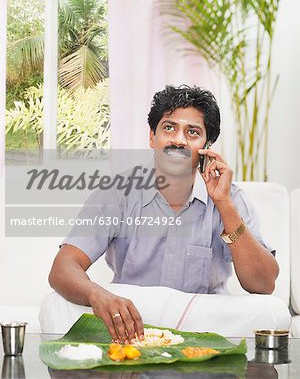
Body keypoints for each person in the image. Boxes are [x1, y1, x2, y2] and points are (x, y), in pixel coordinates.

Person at [48, 85, 279, 344]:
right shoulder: (116, 193)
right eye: (169, 127)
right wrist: (96, 294)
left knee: (274, 312)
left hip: (202, 328)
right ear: (152, 137)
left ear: (206, 146)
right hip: (133, 322)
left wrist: (224, 204)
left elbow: (263, 285)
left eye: (192, 132)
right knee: (56, 303)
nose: (179, 140)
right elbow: (62, 267)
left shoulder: (230, 197)